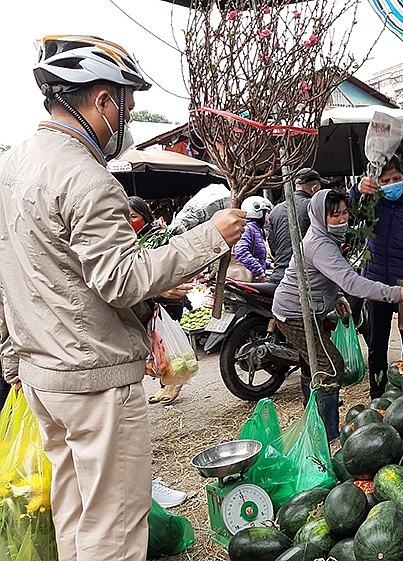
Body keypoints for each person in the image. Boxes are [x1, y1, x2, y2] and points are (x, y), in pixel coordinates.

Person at [0, 35, 247, 561]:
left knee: (73, 509)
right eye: (126, 107)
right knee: (114, 524)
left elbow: (15, 272)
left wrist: (11, 356)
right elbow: (119, 279)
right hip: (93, 377)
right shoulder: (86, 178)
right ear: (102, 101)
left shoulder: (13, 166)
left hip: (43, 375)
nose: (126, 121)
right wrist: (208, 238)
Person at [272, 189, 403, 441]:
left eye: (345, 213)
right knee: (331, 367)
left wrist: (337, 298)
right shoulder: (319, 244)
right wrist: (397, 294)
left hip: (305, 308)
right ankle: (330, 434)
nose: (342, 219)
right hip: (296, 313)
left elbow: (322, 279)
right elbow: (353, 282)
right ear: (321, 216)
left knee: (312, 362)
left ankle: (315, 415)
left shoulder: (324, 237)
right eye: (335, 215)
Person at [352, 156, 403, 398]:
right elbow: (349, 213)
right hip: (376, 281)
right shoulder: (371, 201)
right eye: (385, 180)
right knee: (377, 343)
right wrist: (357, 190)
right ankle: (378, 392)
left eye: (396, 178)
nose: (392, 183)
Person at [128, 196, 192, 407]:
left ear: (145, 217)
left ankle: (173, 384)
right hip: (153, 300)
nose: (130, 221)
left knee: (165, 344)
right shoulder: (132, 239)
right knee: (158, 346)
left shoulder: (157, 238)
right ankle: (167, 383)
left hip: (169, 300)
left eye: (134, 216)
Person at [267, 168, 327, 284]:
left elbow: (273, 247)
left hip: (278, 276)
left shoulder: (275, 210)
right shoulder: (313, 208)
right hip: (305, 279)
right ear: (314, 189)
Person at [233, 195, 273, 282]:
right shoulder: (247, 229)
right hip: (250, 280)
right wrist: (258, 271)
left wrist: (268, 265)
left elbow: (255, 256)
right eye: (265, 212)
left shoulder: (255, 230)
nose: (267, 216)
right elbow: (241, 252)